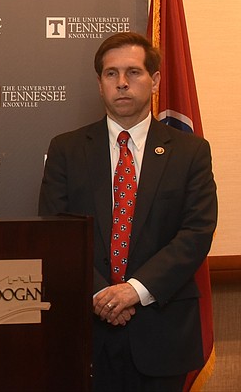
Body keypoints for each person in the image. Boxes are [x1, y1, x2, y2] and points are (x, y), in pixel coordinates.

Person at [38, 32, 217, 391]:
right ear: (100, 83)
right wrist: (101, 295)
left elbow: (195, 233)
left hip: (162, 331)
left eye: (133, 72)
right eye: (110, 74)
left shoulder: (190, 152)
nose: (121, 83)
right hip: (86, 330)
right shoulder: (67, 150)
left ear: (155, 81)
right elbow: (56, 234)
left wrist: (134, 290)